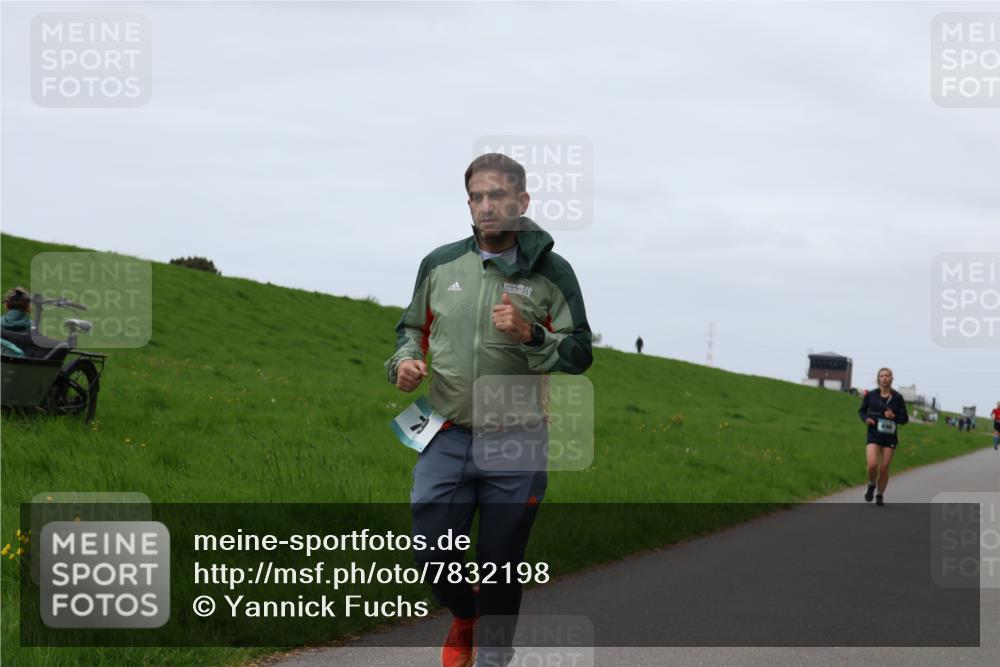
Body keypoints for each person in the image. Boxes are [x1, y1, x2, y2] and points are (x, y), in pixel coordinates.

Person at [385, 153, 592, 667]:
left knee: (500, 563)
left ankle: (493, 659)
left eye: (497, 195)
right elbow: (411, 329)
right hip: (446, 432)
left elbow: (580, 352)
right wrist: (405, 362)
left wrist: (531, 334)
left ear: (522, 201)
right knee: (432, 553)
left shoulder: (552, 273)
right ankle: (465, 614)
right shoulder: (439, 264)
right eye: (476, 197)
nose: (485, 206)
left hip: (517, 439)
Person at [858, 367, 909, 506]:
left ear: (892, 379)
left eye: (887, 375)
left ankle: (880, 494)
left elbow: (904, 419)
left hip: (889, 436)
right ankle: (871, 484)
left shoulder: (897, 398)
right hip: (873, 433)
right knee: (872, 464)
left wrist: (894, 416)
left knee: (884, 468)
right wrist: (866, 419)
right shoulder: (871, 395)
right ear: (878, 379)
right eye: (882, 376)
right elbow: (862, 411)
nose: (884, 378)